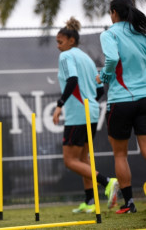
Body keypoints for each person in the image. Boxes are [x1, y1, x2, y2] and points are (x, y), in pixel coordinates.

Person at [53, 17, 119, 214]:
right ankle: (90, 201)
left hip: (77, 114)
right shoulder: (86, 58)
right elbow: (99, 91)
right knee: (83, 159)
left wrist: (59, 105)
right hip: (90, 112)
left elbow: (72, 80)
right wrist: (87, 101)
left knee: (69, 160)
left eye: (60, 42)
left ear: (71, 40)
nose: (58, 46)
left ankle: (107, 182)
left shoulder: (66, 57)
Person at [96, 0, 146, 214]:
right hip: (145, 98)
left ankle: (129, 203)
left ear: (113, 13)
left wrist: (104, 77)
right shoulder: (142, 33)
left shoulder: (109, 34)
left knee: (120, 154)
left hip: (121, 101)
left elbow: (112, 59)